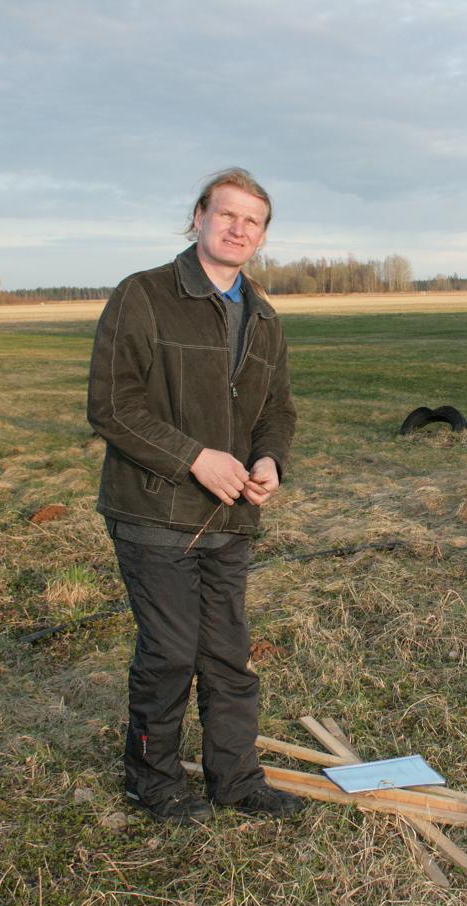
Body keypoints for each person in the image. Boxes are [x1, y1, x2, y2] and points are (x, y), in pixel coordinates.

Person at [87, 168, 303, 822]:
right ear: (198, 218)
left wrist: (268, 458)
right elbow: (112, 406)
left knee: (228, 657)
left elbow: (278, 410)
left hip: (231, 518)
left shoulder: (263, 317)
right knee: (170, 653)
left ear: (262, 236)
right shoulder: (144, 296)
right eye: (227, 215)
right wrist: (195, 458)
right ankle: (149, 780)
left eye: (253, 221)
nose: (239, 229)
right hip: (154, 513)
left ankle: (235, 779)